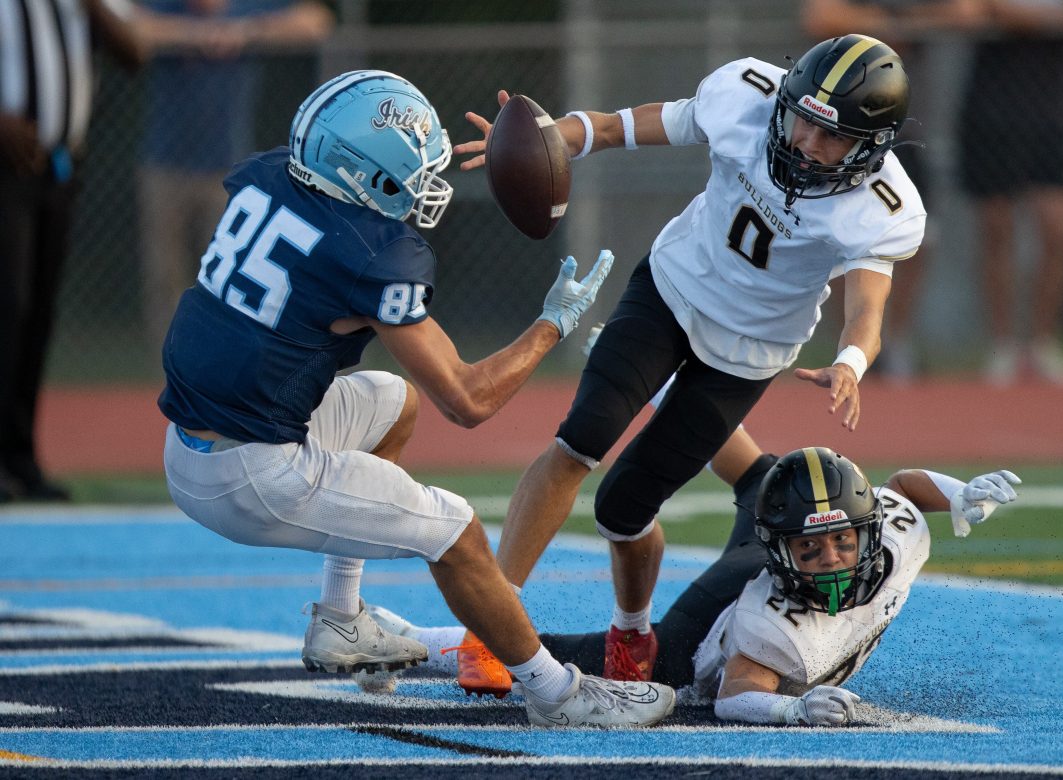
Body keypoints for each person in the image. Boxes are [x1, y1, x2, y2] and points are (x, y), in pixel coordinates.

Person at [156, 69, 677, 728]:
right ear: (366, 175)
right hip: (251, 471)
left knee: (392, 401)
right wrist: (552, 325)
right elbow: (466, 400)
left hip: (195, 439)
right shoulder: (366, 250)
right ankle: (557, 693)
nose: (426, 187)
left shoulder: (269, 178)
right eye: (415, 171)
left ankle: (342, 619)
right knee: (456, 530)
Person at [451, 34, 926, 694]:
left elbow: (867, 310)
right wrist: (554, 135)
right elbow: (634, 124)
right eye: (803, 120)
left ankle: (630, 632)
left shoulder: (881, 208)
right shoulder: (746, 97)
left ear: (871, 148)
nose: (807, 144)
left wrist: (850, 360)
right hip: (670, 289)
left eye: (833, 137)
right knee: (580, 438)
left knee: (623, 509)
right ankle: (489, 629)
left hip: (748, 352)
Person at [370, 434, 1021, 726]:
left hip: (760, 565)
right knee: (547, 655)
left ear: (870, 530)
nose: (831, 561)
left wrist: (959, 493)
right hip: (698, 638)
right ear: (781, 550)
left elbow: (904, 486)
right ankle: (412, 642)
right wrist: (792, 709)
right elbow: (740, 692)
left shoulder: (897, 534)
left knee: (761, 473)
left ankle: (673, 391)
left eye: (843, 541)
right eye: (812, 549)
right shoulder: (775, 626)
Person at [131, 0, 335, 358]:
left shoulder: (248, 10)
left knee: (232, 273)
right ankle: (170, 363)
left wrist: (245, 32)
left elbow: (317, 21)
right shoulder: (167, 8)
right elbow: (128, 25)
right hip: (164, 167)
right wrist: (194, 36)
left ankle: (225, 360)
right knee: (165, 276)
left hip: (228, 172)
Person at [0, 0, 145, 503]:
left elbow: (135, 52)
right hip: (5, 171)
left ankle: (20, 459)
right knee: (8, 309)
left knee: (37, 314)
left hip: (59, 170)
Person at [802, 0, 984, 380]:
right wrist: (887, 27)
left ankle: (894, 342)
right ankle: (849, 344)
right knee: (838, 242)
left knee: (915, 241)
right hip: (843, 132)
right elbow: (820, 16)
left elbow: (967, 12)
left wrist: (911, 23)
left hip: (907, 134)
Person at [957, 0, 1063, 384]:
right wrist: (1054, 20)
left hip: (1052, 114)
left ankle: (1043, 343)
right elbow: (972, 11)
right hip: (991, 110)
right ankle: (1003, 347)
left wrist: (1028, 20)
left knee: (1059, 229)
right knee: (996, 231)